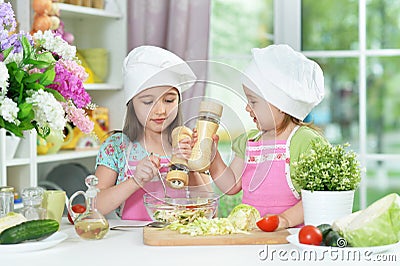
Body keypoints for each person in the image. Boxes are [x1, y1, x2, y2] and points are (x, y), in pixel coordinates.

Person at [208, 44, 327, 228]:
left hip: (290, 239)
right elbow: (231, 185)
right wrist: (213, 157)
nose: (248, 108)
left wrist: (285, 220)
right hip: (252, 236)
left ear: (280, 104)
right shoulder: (249, 142)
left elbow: (315, 197)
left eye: (253, 101)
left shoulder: (305, 141)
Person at [94, 45, 210, 220]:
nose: (160, 111)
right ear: (131, 104)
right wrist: (135, 181)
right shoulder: (117, 146)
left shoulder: (191, 143)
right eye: (148, 102)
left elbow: (209, 206)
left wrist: (188, 166)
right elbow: (95, 206)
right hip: (128, 242)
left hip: (178, 238)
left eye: (169, 100)